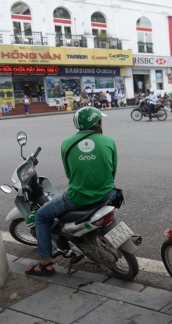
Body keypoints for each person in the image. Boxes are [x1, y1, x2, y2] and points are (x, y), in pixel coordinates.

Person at [25, 107, 117, 276]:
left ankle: (46, 264)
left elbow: (69, 173)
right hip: (108, 194)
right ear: (96, 123)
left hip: (78, 197)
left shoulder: (67, 143)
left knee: (41, 216)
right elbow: (112, 171)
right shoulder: (108, 141)